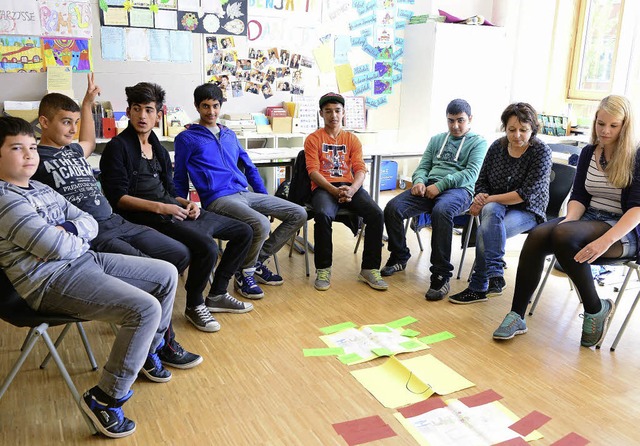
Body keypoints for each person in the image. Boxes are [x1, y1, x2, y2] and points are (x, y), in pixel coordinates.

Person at [0, 116, 179, 438]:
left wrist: (68, 232)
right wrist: (65, 237)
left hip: (82, 259)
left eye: (31, 146)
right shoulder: (4, 200)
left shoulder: (40, 187)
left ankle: (144, 354)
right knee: (144, 309)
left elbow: (88, 220)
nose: (29, 154)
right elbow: (53, 245)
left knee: (165, 273)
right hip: (47, 281)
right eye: (16, 148)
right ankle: (106, 398)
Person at [34, 74, 201, 366]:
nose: (72, 129)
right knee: (153, 276)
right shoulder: (33, 159)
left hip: (116, 221)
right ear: (44, 123)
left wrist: (87, 103)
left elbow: (87, 138)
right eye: (65, 122)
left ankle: (148, 330)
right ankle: (158, 346)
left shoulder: (74, 151)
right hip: (91, 235)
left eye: (74, 122)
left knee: (179, 253)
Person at [99, 82, 255, 331]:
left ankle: (216, 294)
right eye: (137, 109)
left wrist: (187, 204)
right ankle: (194, 305)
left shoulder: (158, 148)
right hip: (145, 218)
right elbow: (117, 198)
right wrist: (163, 209)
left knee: (244, 231)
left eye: (149, 110)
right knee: (206, 247)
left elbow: (170, 191)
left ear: (158, 115)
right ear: (128, 112)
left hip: (173, 210)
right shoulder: (118, 148)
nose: (142, 116)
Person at [493, 95, 640, 347]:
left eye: (613, 126)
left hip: (624, 230)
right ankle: (517, 314)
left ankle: (594, 309)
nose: (604, 131)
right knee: (539, 234)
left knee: (564, 236)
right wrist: (570, 219)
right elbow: (580, 196)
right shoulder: (588, 152)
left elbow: (637, 209)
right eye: (600, 123)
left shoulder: (636, 156)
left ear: (625, 126)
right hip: (588, 218)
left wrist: (604, 241)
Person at [173, 83, 307, 299]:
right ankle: (245, 274)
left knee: (298, 213)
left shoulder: (229, 134)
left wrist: (264, 198)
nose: (211, 112)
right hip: (218, 199)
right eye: (205, 106)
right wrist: (178, 207)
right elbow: (179, 176)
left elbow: (250, 168)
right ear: (197, 107)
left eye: (215, 106)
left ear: (220, 105)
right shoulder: (186, 138)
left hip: (244, 193)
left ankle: (253, 264)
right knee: (261, 224)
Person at [382, 99, 488, 300]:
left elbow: (471, 174)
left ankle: (441, 274)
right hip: (429, 186)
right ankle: (399, 255)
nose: (455, 126)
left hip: (459, 191)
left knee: (441, 211)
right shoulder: (437, 139)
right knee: (392, 208)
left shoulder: (479, 142)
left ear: (470, 119)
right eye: (450, 121)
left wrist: (440, 186)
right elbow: (423, 165)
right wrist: (419, 181)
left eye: (460, 120)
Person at [449, 103, 552, 304]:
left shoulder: (541, 152)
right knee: (491, 214)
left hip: (529, 210)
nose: (517, 135)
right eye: (511, 129)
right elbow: (482, 181)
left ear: (533, 129)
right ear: (504, 127)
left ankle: (479, 286)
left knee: (487, 230)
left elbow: (524, 194)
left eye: (524, 130)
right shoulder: (498, 146)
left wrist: (488, 199)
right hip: (495, 207)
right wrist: (480, 197)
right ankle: (495, 274)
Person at [304, 92, 387, 291]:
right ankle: (323, 269)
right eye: (328, 111)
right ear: (321, 114)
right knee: (323, 215)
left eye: (337, 111)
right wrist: (333, 190)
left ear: (343, 113)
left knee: (376, 214)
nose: (333, 115)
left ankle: (369, 269)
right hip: (325, 187)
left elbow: (360, 169)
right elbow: (313, 171)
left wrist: (352, 190)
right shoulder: (313, 139)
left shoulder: (352, 139)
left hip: (350, 186)